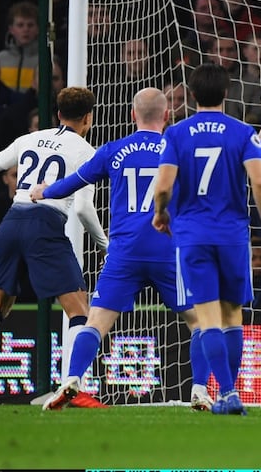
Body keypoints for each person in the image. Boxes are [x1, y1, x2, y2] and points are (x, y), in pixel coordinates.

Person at [30, 88, 220, 411]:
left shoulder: (113, 150)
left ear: (133, 115)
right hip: (168, 249)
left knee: (95, 323)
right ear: (167, 116)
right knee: (201, 321)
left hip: (125, 251)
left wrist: (45, 190)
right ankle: (199, 390)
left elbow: (73, 182)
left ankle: (72, 379)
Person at [0, 87, 108, 403]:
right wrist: (105, 247)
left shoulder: (29, 139)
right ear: (88, 117)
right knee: (79, 309)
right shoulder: (86, 151)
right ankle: (75, 386)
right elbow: (84, 209)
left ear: (58, 114)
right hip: (45, 224)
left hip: (12, 220)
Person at [152, 63, 261, 416]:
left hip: (192, 236)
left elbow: (163, 186)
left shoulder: (176, 134)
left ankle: (224, 391)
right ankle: (231, 392)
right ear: (226, 94)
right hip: (232, 236)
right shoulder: (242, 133)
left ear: (192, 96)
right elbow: (258, 182)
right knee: (233, 315)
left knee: (207, 317)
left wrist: (161, 213)